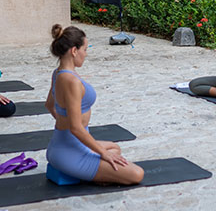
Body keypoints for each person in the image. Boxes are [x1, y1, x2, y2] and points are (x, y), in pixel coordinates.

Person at [45, 24, 143, 184]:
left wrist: (64, 125)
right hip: (69, 152)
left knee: (114, 148)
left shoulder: (58, 73)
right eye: (85, 49)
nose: (86, 54)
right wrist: (103, 154)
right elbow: (76, 128)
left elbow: (49, 105)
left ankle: (96, 172)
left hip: (61, 144)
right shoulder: (72, 81)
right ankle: (88, 173)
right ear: (74, 51)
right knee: (137, 174)